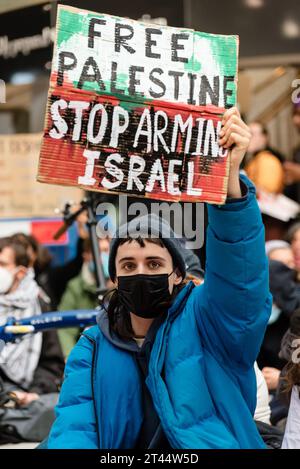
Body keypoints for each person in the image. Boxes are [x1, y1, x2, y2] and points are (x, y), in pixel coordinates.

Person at [46, 107, 272, 449]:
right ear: (114, 279)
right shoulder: (91, 347)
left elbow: (242, 280)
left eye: (154, 264)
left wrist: (229, 187)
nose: (140, 273)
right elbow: (75, 428)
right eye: (128, 266)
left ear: (178, 273)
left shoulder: (211, 326)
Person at [0, 237, 65, 443]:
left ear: (20, 272)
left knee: (56, 407)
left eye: (1, 264)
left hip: (24, 395)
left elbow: (51, 363)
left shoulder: (40, 305)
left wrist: (32, 394)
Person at [58, 237, 112, 358]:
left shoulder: (122, 285)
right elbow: (65, 329)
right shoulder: (75, 287)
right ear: (86, 256)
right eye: (98, 251)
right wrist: (71, 358)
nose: (103, 256)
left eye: (107, 250)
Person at [244, 121, 285, 194]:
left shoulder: (268, 160)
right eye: (246, 134)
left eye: (252, 134)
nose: (248, 137)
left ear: (264, 138)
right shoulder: (255, 160)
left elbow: (265, 192)